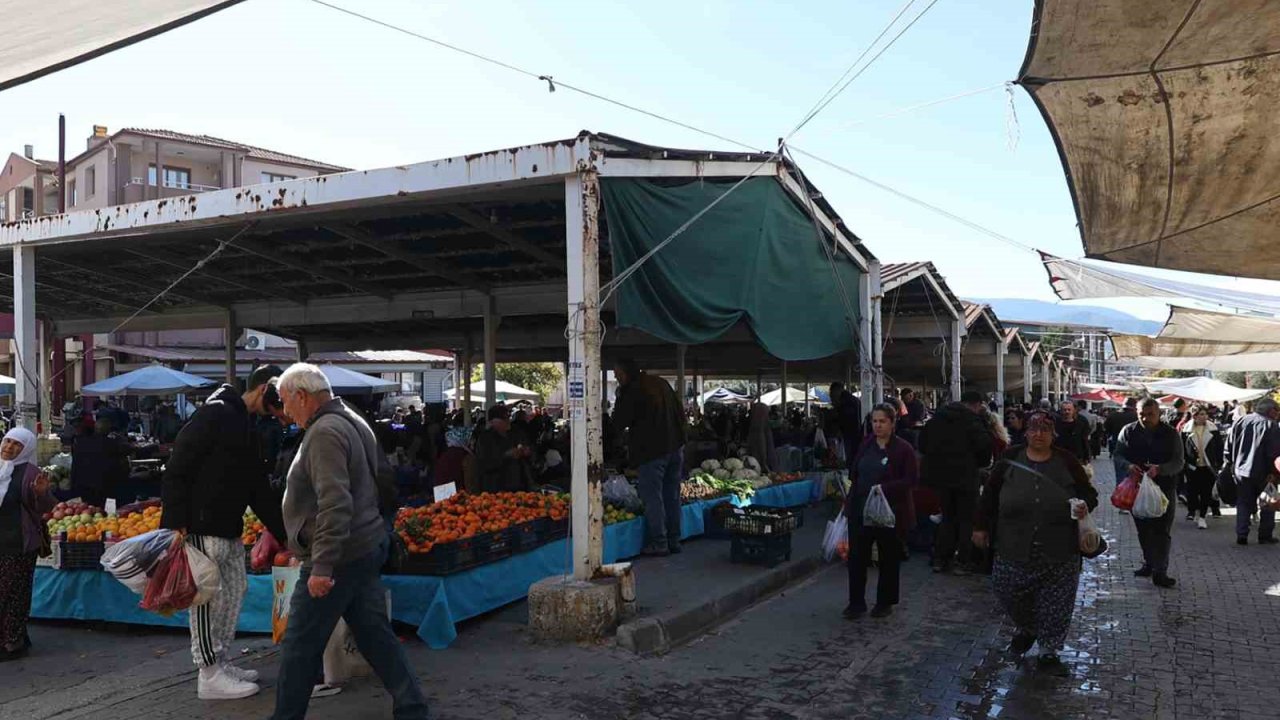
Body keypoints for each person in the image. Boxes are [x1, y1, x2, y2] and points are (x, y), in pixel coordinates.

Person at [272, 364, 429, 720]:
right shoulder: (351, 419)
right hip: (363, 545)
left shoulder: (325, 431)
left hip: (338, 555)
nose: (284, 412)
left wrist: (323, 566)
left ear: (302, 395)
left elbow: (335, 502)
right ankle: (413, 707)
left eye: (285, 402)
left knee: (300, 645)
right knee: (375, 635)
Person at [160, 366, 289, 700]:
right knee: (206, 598)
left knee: (234, 590)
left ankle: (220, 660)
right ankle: (208, 673)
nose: (280, 414)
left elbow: (255, 486)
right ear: (264, 390)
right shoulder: (216, 413)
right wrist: (176, 520)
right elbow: (178, 464)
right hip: (202, 525)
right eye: (278, 403)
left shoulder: (243, 422)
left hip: (227, 526)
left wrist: (284, 532)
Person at [973, 412, 1098, 676]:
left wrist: (1083, 504)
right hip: (1012, 543)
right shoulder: (1009, 459)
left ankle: (1049, 650)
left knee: (1058, 601)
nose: (1039, 434)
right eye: (1034, 429)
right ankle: (1028, 627)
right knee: (1007, 589)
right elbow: (990, 495)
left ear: (1054, 434)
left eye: (1045, 430)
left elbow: (1089, 493)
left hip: (1060, 546)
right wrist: (981, 527)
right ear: (1026, 433)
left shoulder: (1067, 460)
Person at [844, 403, 918, 620]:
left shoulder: (903, 449)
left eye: (882, 421)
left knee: (888, 558)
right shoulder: (866, 444)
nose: (877, 425)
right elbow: (855, 472)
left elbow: (911, 480)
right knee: (857, 558)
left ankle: (884, 602)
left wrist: (884, 489)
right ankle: (856, 603)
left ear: (892, 423)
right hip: (860, 509)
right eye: (874, 421)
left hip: (889, 513)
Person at [612, 358, 686, 556]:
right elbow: (680, 412)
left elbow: (618, 422)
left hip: (652, 452)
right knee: (672, 495)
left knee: (652, 497)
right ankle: (674, 540)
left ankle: (660, 542)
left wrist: (619, 397)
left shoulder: (633, 390)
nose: (616, 378)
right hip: (675, 447)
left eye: (618, 374)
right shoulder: (661, 383)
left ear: (627, 372)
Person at [919, 390, 993, 575]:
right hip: (966, 477)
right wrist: (979, 464)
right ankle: (962, 561)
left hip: (941, 477)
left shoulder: (937, 419)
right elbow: (984, 446)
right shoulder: (973, 421)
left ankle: (940, 559)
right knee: (966, 519)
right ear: (976, 404)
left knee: (947, 517)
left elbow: (922, 444)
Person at [1114, 398, 1184, 588]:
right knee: (1143, 529)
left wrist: (1160, 469)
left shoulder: (1170, 433)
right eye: (1141, 414)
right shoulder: (1128, 431)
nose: (1145, 418)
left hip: (1164, 488)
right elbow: (1118, 454)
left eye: (1150, 414)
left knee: (1162, 530)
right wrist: (1128, 466)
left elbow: (1178, 461)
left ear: (1159, 413)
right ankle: (1149, 563)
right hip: (1136, 488)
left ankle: (1160, 571)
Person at [0, 428, 53, 661]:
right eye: (7, 441)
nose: (9, 447)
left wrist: (42, 494)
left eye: (16, 445)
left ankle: (13, 642)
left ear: (26, 449)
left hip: (18, 543)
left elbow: (48, 509)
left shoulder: (31, 474)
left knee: (13, 592)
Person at [1222, 397, 1280, 546]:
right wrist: (1273, 473)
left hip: (1241, 470)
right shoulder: (1271, 426)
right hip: (1265, 473)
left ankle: (1242, 534)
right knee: (1267, 503)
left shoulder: (1241, 421)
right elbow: (1274, 452)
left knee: (1243, 502)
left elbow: (1228, 445)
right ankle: (1264, 535)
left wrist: (1230, 464)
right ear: (1271, 411)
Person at [69, 417, 130, 507]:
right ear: (109, 430)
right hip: (105, 487)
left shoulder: (80, 443)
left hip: (83, 486)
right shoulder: (112, 444)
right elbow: (129, 451)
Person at [473, 405, 533, 493]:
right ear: (493, 421)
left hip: (519, 486)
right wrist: (506, 455)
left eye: (508, 417)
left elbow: (529, 449)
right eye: (504, 419)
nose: (508, 421)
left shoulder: (516, 433)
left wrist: (527, 451)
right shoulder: (485, 438)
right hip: (495, 487)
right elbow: (484, 463)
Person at [1182, 405, 1223, 530]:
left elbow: (1219, 447)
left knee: (1206, 492)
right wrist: (1184, 464)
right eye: (1201, 414)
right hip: (1192, 467)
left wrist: (1218, 464)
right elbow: (1182, 449)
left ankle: (1202, 517)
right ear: (1194, 415)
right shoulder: (1186, 430)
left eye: (1205, 414)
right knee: (1193, 492)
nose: (1204, 417)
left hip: (1208, 466)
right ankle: (1193, 511)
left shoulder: (1213, 429)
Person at [435, 425, 477, 493]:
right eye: (471, 439)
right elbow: (470, 482)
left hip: (441, 494)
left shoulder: (445, 455)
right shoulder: (465, 455)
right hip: (459, 496)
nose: (473, 442)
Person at [829, 382, 863, 459]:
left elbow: (846, 419)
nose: (831, 397)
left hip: (851, 434)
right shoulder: (853, 400)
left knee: (851, 457)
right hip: (855, 433)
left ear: (837, 390)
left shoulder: (845, 402)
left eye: (832, 393)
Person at [1054, 401, 1092, 466]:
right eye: (1064, 410)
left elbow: (1084, 440)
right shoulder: (1056, 424)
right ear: (1061, 411)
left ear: (1073, 411)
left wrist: (1086, 457)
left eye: (1069, 410)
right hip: (1059, 457)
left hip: (1076, 457)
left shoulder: (1080, 424)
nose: (1067, 412)